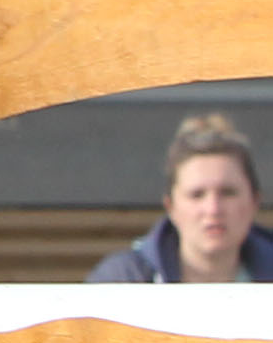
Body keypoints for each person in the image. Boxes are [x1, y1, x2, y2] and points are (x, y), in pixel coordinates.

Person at [88, 113, 273, 283]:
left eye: (228, 193)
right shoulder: (123, 280)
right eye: (196, 195)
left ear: (254, 201)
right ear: (170, 206)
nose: (213, 209)